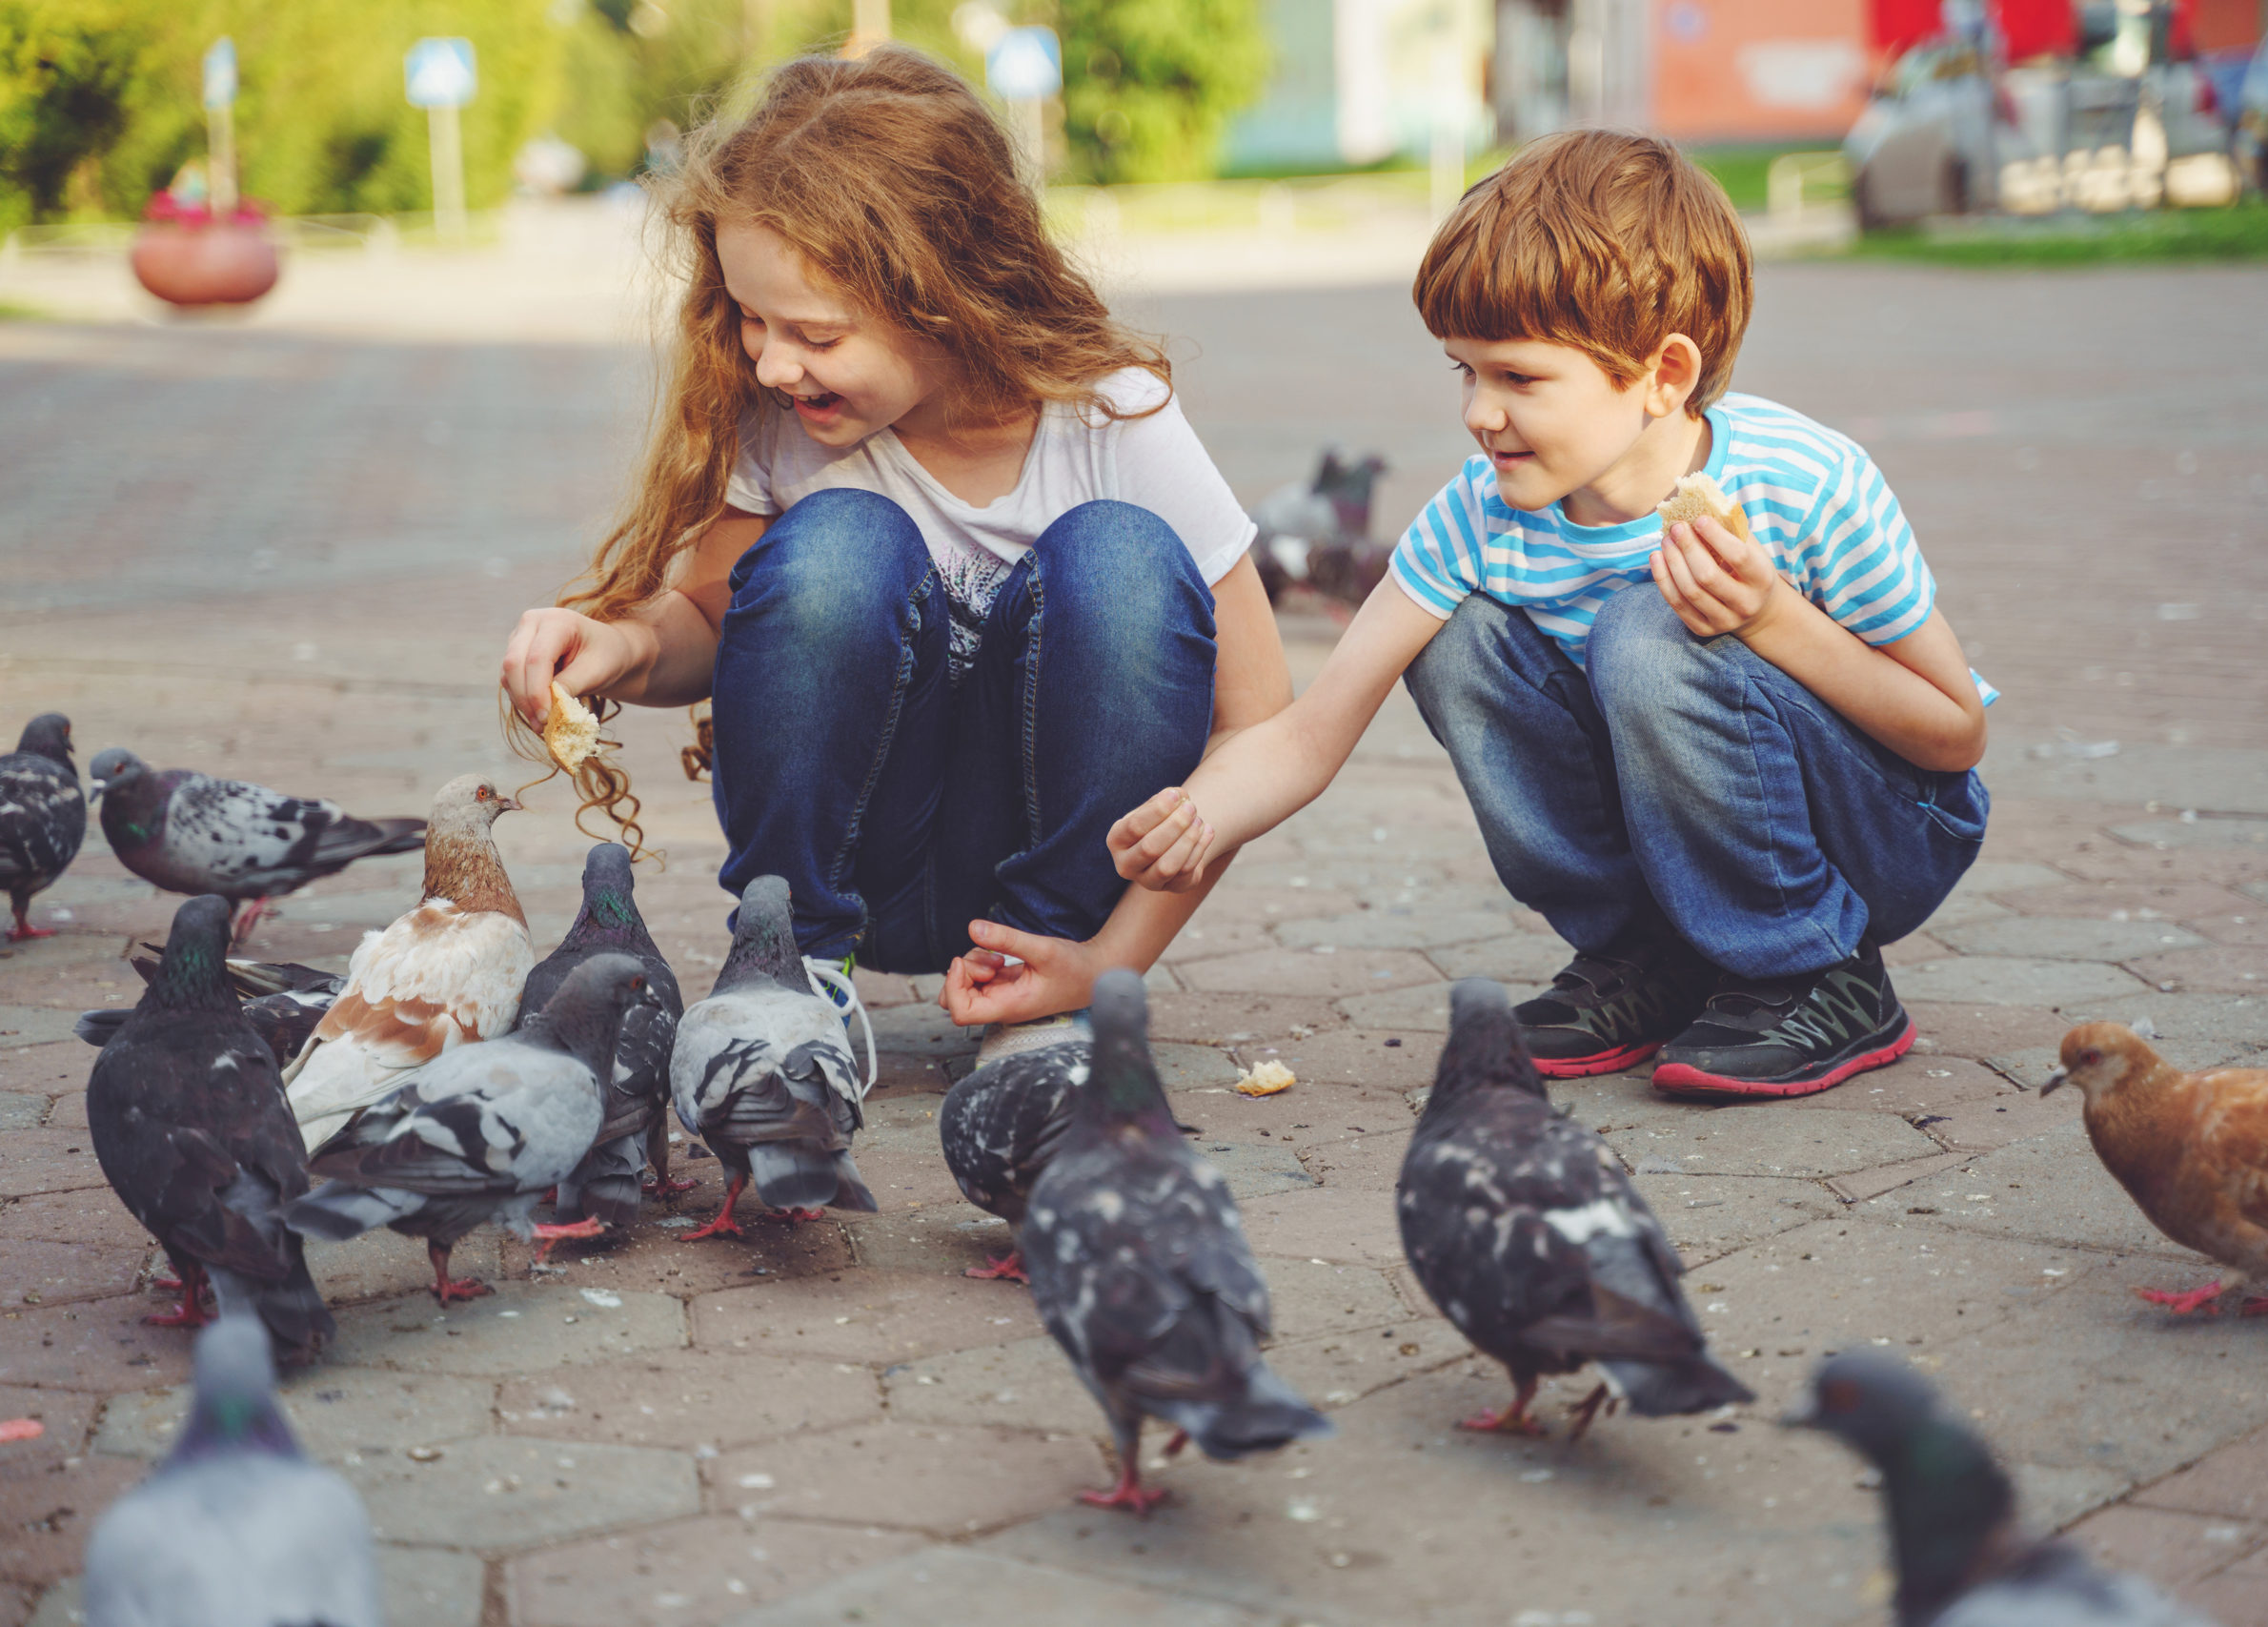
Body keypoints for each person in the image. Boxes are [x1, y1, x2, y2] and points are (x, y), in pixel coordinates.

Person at [1109, 132, 1994, 1100]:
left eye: (1519, 379)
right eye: (1465, 371)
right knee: (1456, 638)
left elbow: (1952, 738)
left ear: (1663, 374)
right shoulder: (1477, 515)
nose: (1478, 414)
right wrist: (1199, 812)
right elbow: (1318, 729)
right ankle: (1647, 959)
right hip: (1678, 847)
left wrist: (1773, 620)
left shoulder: (1803, 482)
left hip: (1883, 838)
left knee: (1648, 632)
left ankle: (1813, 972)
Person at [499, 49, 1288, 1058]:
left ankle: (1039, 985)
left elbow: (1258, 723)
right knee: (838, 540)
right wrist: (621, 647)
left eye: (816, 335)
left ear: (947, 297)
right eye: (749, 318)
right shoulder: (786, 423)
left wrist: (1114, 956)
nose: (773, 362)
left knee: (1122, 557)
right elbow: (708, 618)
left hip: (1055, 884)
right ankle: (787, 971)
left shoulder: (1110, 416)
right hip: (852, 860)